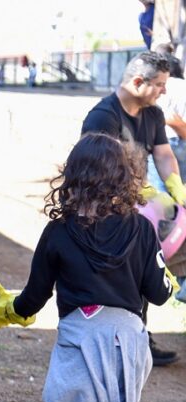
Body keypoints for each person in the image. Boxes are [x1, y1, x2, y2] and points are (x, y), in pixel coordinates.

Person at [0, 133, 177, 402]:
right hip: (126, 349)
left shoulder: (58, 232)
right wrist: (168, 276)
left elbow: (33, 298)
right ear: (123, 175)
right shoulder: (140, 228)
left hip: (81, 347)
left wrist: (10, 309)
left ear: (73, 175)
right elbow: (160, 295)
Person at [81, 51, 186, 366]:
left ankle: (138, 338)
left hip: (138, 207)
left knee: (143, 275)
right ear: (139, 81)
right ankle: (120, 343)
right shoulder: (103, 117)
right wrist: (138, 193)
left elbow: (164, 154)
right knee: (121, 281)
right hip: (107, 211)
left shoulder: (151, 113)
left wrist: (176, 188)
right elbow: (94, 173)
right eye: (160, 85)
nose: (164, 91)